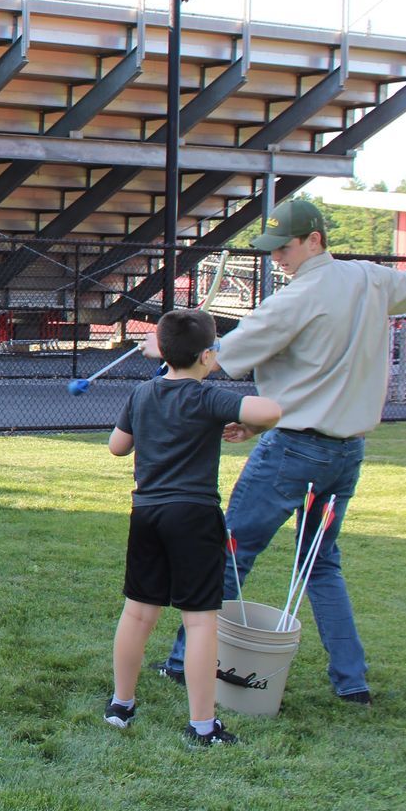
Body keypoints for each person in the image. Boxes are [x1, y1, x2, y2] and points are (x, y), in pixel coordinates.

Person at [160, 198, 406, 704]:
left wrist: (164, 350)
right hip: (343, 454)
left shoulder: (294, 299)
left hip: (292, 455)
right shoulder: (371, 279)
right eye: (272, 250)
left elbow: (215, 360)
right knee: (321, 564)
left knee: (232, 555)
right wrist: (265, 423)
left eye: (284, 248)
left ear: (315, 240)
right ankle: (351, 682)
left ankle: (182, 663)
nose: (278, 259)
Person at [106, 308, 281, 746]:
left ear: (162, 351)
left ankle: (121, 705)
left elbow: (116, 446)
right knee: (201, 621)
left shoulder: (142, 394)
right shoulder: (208, 397)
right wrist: (248, 426)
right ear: (208, 356)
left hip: (147, 514)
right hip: (195, 517)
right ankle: (202, 726)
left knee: (138, 612)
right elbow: (271, 409)